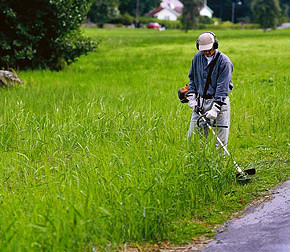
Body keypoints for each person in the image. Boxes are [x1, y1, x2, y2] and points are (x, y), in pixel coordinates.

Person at [186, 31, 233, 148]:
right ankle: (197, 163)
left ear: (215, 45)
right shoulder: (197, 58)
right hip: (201, 103)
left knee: (220, 143)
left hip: (219, 103)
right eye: (204, 50)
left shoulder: (224, 62)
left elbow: (222, 87)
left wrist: (216, 109)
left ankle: (220, 165)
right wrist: (191, 96)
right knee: (193, 138)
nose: (206, 53)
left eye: (209, 49)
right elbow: (192, 78)